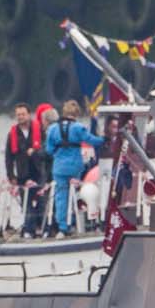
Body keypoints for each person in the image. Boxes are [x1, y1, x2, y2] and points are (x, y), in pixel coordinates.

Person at [44, 100, 104, 237]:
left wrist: (59, 154)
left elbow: (48, 149)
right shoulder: (78, 127)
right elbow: (92, 140)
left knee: (61, 196)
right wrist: (105, 140)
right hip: (75, 166)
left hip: (59, 167)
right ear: (76, 113)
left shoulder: (53, 129)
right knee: (77, 192)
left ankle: (63, 227)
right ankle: (80, 221)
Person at [3, 104, 43, 235]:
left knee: (42, 201)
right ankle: (29, 229)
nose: (20, 117)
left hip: (39, 172)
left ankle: (40, 226)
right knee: (26, 204)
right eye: (18, 115)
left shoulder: (39, 130)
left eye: (23, 114)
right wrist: (11, 176)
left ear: (29, 114)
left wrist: (36, 152)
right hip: (22, 174)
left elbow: (47, 149)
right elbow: (9, 157)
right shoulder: (12, 134)